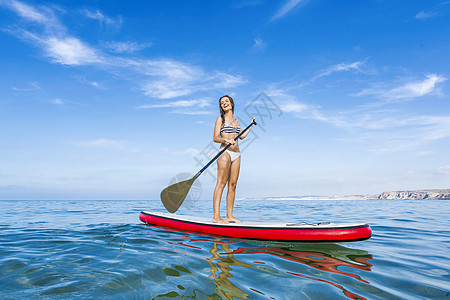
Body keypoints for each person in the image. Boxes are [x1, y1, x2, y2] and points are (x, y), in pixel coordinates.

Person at [212, 95, 256, 223]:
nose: (224, 103)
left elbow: (241, 136)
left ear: (231, 103)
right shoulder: (220, 119)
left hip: (237, 154)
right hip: (224, 153)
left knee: (233, 185)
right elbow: (215, 138)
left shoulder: (236, 120)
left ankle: (229, 216)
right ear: (221, 107)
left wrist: (251, 125)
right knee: (221, 183)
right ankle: (216, 217)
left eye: (226, 101)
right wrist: (226, 140)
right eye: (222, 103)